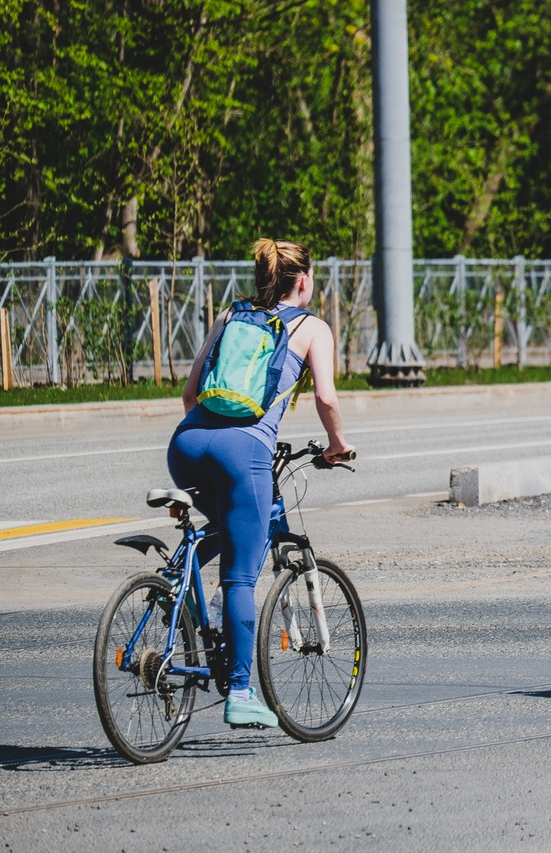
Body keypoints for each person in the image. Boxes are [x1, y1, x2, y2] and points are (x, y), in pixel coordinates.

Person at [169, 239, 354, 727]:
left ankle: (174, 586)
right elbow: (327, 398)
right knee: (240, 575)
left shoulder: (230, 316)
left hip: (185, 445)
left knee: (228, 527)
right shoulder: (312, 328)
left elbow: (190, 394)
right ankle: (240, 692)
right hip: (244, 453)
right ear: (303, 281)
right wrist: (338, 444)